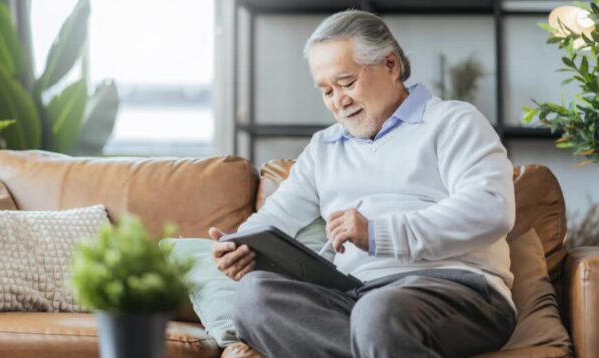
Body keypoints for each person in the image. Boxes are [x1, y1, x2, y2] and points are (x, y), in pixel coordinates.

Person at [209, 9, 516, 358]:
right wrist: (241, 245)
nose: (338, 101)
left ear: (390, 65)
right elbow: (276, 216)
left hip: (458, 289)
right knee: (254, 298)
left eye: (347, 82)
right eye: (326, 91)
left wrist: (376, 233)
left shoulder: (454, 122)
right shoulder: (323, 148)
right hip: (355, 296)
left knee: (378, 314)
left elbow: (491, 208)